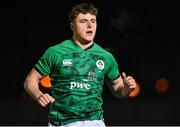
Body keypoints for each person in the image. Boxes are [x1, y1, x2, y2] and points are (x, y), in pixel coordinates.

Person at [24, 3, 136, 127]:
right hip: (62, 123)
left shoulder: (106, 57)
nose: (90, 25)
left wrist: (127, 88)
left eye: (93, 21)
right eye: (83, 21)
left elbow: (118, 89)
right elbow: (30, 80)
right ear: (72, 26)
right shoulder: (55, 52)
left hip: (95, 122)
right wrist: (38, 95)